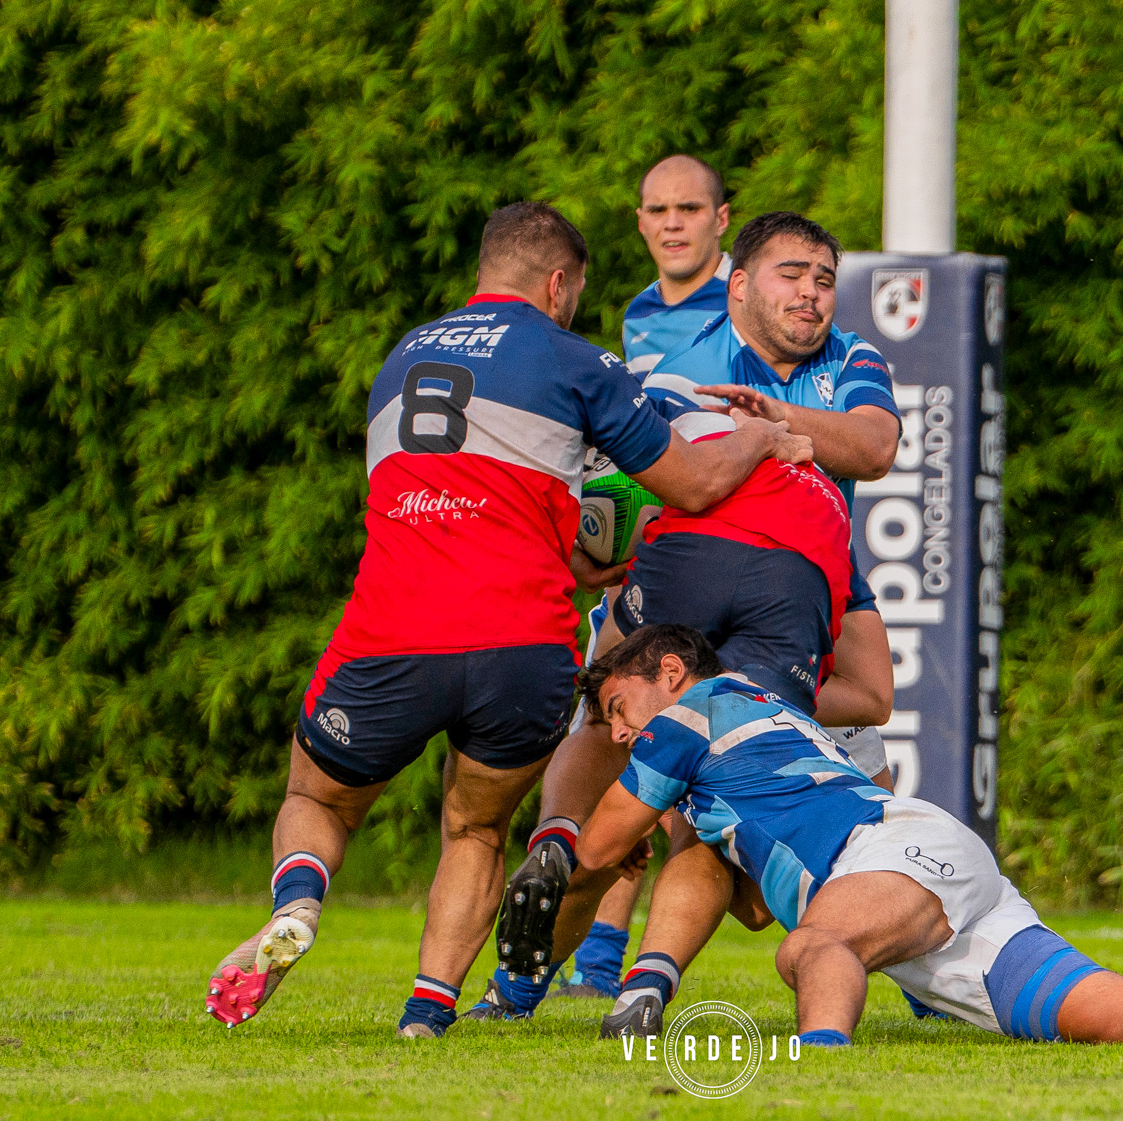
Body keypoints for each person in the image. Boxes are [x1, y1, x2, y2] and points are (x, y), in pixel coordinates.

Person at [200, 202, 809, 1039]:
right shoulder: (576, 360)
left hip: (392, 628)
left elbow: (444, 498)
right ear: (559, 283)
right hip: (523, 644)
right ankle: (426, 1013)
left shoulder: (401, 356)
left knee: (320, 798)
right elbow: (693, 483)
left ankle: (298, 903)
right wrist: (763, 437)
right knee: (477, 826)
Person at [553, 624, 1123, 1044]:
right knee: (1119, 1017)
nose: (621, 733)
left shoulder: (697, 709)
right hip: (923, 884)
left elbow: (594, 851)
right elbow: (754, 909)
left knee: (815, 947)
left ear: (668, 673)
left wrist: (584, 836)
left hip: (890, 856)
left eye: (619, 709)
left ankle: (814, 1071)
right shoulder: (746, 718)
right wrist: (691, 830)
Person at [462, 212, 897, 1023]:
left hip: (805, 561)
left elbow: (872, 448)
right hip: (763, 557)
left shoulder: (852, 355)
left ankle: (556, 869)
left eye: (825, 280)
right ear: (738, 285)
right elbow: (624, 475)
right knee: (670, 792)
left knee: (625, 724)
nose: (812, 293)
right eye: (792, 275)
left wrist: (772, 425)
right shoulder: (679, 361)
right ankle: (602, 973)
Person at [620, 155, 732, 379]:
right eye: (657, 211)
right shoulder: (637, 315)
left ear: (721, 220)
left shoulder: (753, 299)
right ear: (641, 223)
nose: (672, 224)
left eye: (689, 209)